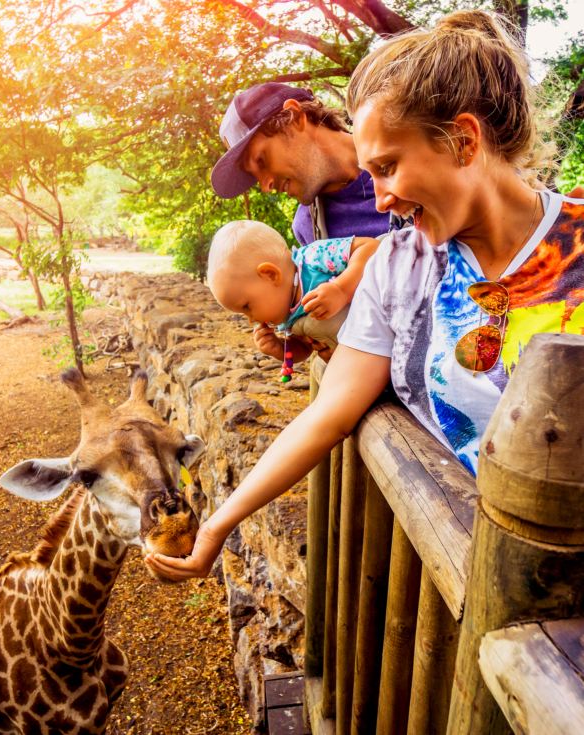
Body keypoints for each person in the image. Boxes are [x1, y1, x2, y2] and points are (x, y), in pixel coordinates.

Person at [146, 9, 584, 582]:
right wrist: (218, 524)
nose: (378, 202)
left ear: (463, 140)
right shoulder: (397, 268)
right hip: (483, 582)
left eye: (387, 167)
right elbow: (327, 414)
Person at [211, 82, 394, 364]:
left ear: (295, 118)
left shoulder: (402, 153)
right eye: (255, 178)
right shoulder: (308, 227)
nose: (266, 185)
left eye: (262, 159)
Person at [207, 220, 379, 353]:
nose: (251, 320)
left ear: (270, 275)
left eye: (247, 307)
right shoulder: (287, 315)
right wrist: (281, 348)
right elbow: (305, 350)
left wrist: (342, 289)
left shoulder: (314, 258)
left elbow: (371, 247)